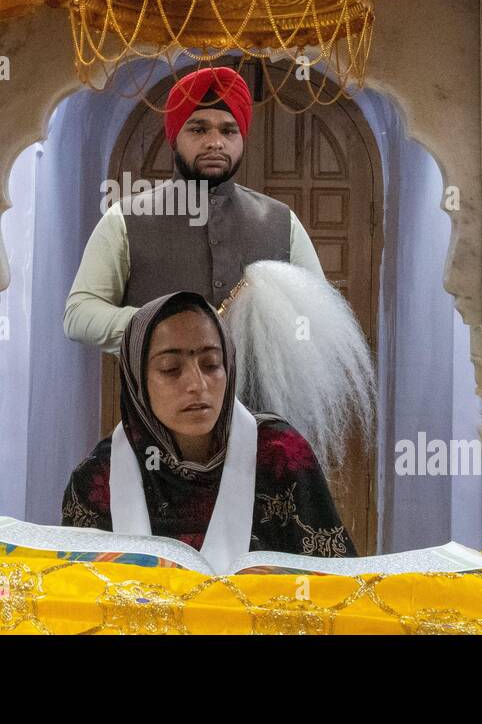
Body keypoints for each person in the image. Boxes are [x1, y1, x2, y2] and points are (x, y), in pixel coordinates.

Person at [62, 291, 355, 567]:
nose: (197, 385)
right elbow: (75, 596)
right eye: (170, 369)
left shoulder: (279, 454)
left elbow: (333, 583)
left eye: (211, 364)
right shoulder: (99, 476)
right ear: (138, 380)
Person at [63, 65, 324, 354]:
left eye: (228, 131)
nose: (215, 142)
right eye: (198, 129)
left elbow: (320, 315)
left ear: (241, 138)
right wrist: (167, 325)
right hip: (158, 399)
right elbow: (79, 315)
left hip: (261, 401)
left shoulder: (281, 221)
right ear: (175, 137)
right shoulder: (125, 219)